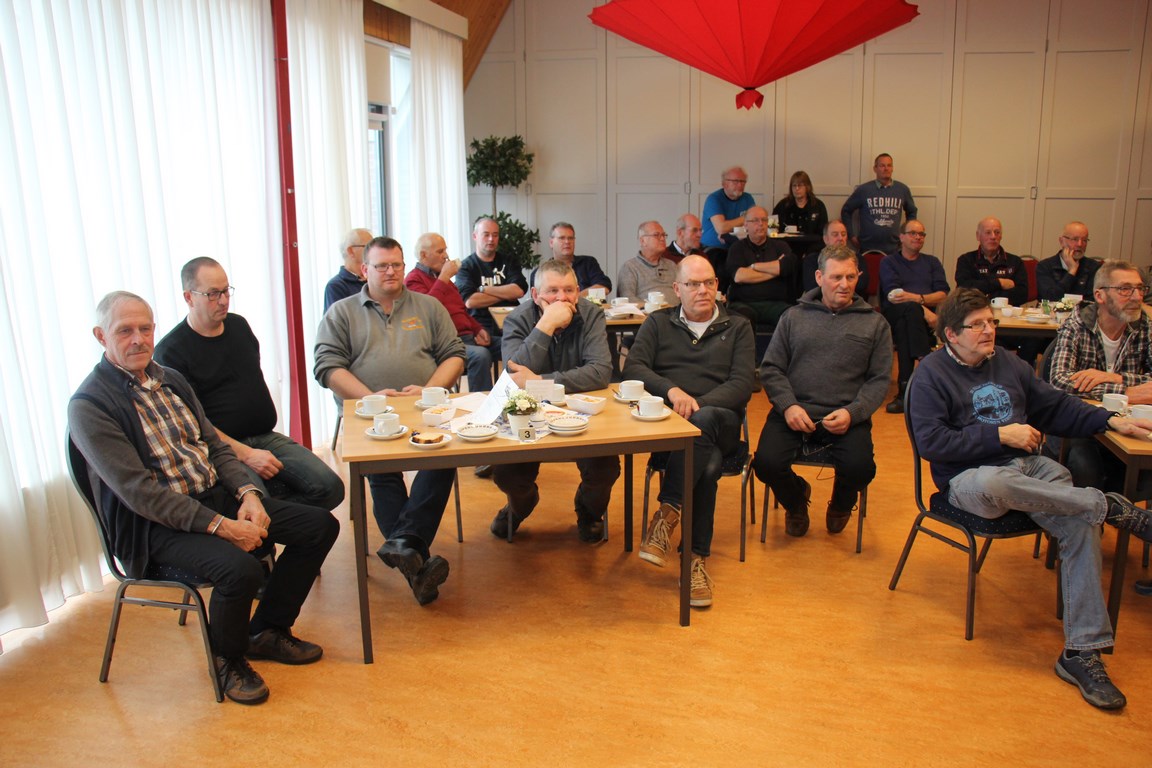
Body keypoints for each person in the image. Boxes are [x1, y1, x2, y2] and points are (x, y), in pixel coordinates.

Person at [70, 291, 339, 705]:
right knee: (240, 569)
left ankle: (267, 630)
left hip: (213, 497)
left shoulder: (171, 380)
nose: (139, 339)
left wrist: (248, 494)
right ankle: (228, 659)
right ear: (100, 336)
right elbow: (140, 494)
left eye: (145, 328)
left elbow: (215, 446)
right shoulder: (91, 406)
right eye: (125, 331)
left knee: (318, 526)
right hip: (154, 528)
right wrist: (222, 527)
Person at [908, 287, 1152, 711]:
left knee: (1078, 520)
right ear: (951, 334)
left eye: (991, 322)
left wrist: (1111, 419)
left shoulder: (1009, 363)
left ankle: (1081, 653)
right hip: (970, 480)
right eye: (977, 325)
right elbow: (932, 442)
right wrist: (999, 435)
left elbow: (1057, 407)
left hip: (1029, 470)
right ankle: (1107, 506)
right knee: (1003, 483)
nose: (989, 331)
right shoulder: (931, 374)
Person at [314, 236, 465, 606]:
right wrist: (371, 398)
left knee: (442, 459)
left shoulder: (428, 306)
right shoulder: (342, 312)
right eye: (381, 266)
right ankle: (415, 559)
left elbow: (454, 354)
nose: (390, 271)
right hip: (368, 413)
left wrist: (429, 390)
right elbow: (327, 367)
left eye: (396, 264)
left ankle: (403, 544)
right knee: (382, 470)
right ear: (364, 269)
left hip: (426, 409)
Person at [155, 258, 345, 512]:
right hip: (222, 450)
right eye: (213, 294)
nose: (223, 300)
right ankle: (271, 520)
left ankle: (279, 518)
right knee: (259, 505)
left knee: (331, 487)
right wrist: (246, 454)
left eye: (226, 291)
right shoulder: (171, 352)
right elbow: (194, 424)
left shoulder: (238, 326)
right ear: (189, 297)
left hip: (265, 436)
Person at [623, 255, 756, 607]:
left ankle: (666, 514)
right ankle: (694, 560)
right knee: (707, 466)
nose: (703, 290)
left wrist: (698, 406)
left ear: (717, 286)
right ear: (677, 289)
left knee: (706, 421)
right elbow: (633, 367)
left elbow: (742, 384)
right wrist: (672, 391)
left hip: (722, 422)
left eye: (709, 283)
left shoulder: (738, 327)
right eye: (693, 284)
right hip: (670, 427)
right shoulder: (658, 323)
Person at [754, 246, 892, 536]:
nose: (844, 284)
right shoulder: (793, 317)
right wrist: (788, 406)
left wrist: (853, 413)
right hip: (794, 411)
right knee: (766, 464)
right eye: (836, 277)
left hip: (846, 416)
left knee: (860, 469)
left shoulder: (875, 323)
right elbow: (771, 369)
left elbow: (879, 380)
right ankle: (796, 502)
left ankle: (841, 503)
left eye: (851, 277)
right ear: (819, 277)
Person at [491, 259, 619, 542]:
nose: (562, 299)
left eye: (569, 290)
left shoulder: (591, 314)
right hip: (528, 413)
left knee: (606, 469)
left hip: (582, 410)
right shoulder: (517, 318)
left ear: (578, 291)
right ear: (535, 295)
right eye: (552, 291)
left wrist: (540, 382)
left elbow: (600, 372)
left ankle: (589, 511)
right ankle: (521, 505)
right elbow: (513, 377)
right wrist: (546, 324)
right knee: (506, 475)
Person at [1045, 261, 1152, 495]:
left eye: (1140, 288)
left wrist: (1113, 378)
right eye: (1125, 289)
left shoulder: (1145, 325)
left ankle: (1126, 513)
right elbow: (1060, 381)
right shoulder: (1077, 324)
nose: (1136, 297)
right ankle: (1092, 516)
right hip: (1080, 425)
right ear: (1100, 295)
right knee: (1085, 463)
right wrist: (1128, 392)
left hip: (1128, 425)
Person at [405, 232, 494, 393]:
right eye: (440, 251)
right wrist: (444, 277)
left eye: (445, 250)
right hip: (446, 343)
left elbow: (461, 311)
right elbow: (427, 310)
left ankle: (516, 399)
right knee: (480, 355)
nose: (446, 256)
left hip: (467, 337)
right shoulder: (414, 279)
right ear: (423, 255)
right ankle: (480, 402)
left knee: (509, 344)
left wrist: (477, 328)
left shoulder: (442, 280)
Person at [878, 220, 950, 414]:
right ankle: (924, 358)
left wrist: (917, 301)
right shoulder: (889, 262)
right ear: (901, 237)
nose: (918, 237)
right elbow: (894, 296)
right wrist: (923, 308)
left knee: (907, 324)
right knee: (909, 312)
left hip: (914, 323)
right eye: (913, 233)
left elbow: (943, 294)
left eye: (921, 234)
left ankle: (904, 391)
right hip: (895, 315)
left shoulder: (932, 262)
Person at [954, 216, 1039, 364]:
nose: (993, 236)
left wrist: (986, 293)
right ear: (978, 236)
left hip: (1011, 322)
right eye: (988, 232)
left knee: (1033, 338)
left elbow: (1022, 294)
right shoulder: (966, 260)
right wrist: (999, 282)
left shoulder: (1015, 262)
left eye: (997, 232)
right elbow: (964, 289)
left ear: (1001, 236)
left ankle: (1021, 374)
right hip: (978, 322)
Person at [455, 216, 528, 342]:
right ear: (475, 236)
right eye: (486, 234)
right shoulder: (465, 267)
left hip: (511, 321)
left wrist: (484, 289)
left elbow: (519, 291)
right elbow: (471, 301)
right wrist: (507, 294)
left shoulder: (509, 261)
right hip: (481, 325)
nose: (491, 239)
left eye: (495, 235)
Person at [725, 205, 797, 328]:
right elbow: (739, 276)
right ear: (746, 225)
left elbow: (785, 267)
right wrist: (774, 270)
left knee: (793, 316)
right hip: (744, 304)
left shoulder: (781, 246)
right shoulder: (737, 248)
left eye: (764, 220)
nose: (761, 224)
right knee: (742, 319)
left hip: (776, 304)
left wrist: (753, 267)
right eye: (755, 220)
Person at [840, 153, 917, 255]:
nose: (886, 168)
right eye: (882, 165)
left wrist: (907, 236)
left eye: (889, 165)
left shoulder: (902, 189)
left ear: (892, 168)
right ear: (875, 169)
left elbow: (912, 212)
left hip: (894, 248)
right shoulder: (864, 190)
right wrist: (851, 236)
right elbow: (846, 211)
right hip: (867, 248)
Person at [528, 222, 612, 297]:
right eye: (562, 238)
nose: (567, 242)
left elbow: (605, 288)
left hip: (588, 309)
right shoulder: (539, 273)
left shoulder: (588, 263)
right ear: (551, 243)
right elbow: (538, 300)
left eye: (571, 238)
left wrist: (576, 298)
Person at [616, 220, 680, 305]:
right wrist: (654, 308)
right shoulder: (630, 267)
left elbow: (683, 291)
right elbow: (628, 299)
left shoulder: (671, 265)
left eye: (663, 235)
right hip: (647, 313)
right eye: (656, 235)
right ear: (643, 241)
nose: (662, 239)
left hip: (677, 312)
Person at [1036, 221, 1101, 302]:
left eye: (1084, 240)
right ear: (1062, 241)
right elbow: (1050, 298)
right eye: (1075, 239)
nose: (1080, 244)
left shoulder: (1094, 267)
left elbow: (1092, 301)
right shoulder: (1044, 266)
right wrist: (1071, 272)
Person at [701, 166, 755, 250]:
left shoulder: (748, 198)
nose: (740, 185)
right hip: (714, 247)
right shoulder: (714, 199)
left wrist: (750, 220)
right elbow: (721, 228)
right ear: (724, 184)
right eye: (736, 181)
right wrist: (747, 218)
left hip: (739, 246)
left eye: (743, 181)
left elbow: (754, 224)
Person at [324, 228, 372, 311]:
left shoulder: (374, 279)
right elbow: (337, 317)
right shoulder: (336, 286)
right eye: (369, 246)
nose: (375, 251)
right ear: (351, 251)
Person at [801, 219, 853, 293]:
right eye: (835, 235)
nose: (840, 238)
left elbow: (861, 285)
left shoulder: (856, 258)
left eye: (843, 234)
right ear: (826, 239)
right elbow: (811, 287)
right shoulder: (812, 260)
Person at [772, 170, 828, 236]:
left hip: (812, 242)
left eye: (800, 185)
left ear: (807, 187)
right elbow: (772, 229)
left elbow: (824, 232)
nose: (797, 188)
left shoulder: (818, 206)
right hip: (787, 242)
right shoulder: (782, 205)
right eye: (794, 185)